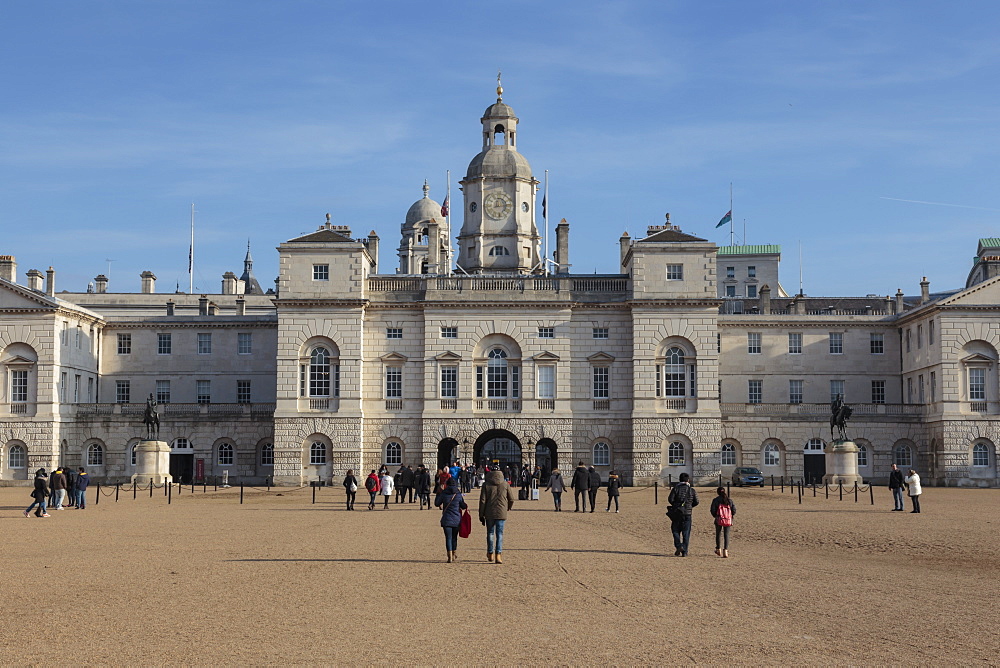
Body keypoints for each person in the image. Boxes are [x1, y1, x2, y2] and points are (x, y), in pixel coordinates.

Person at [479, 468, 515, 564]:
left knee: (490, 533)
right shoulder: (505, 484)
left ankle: (490, 553)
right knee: (499, 534)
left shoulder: (486, 485)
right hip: (501, 512)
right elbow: (511, 499)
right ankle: (498, 554)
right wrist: (508, 507)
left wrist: (481, 514)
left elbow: (482, 501)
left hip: (489, 512)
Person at [434, 476, 468, 563]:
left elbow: (437, 503)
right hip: (456, 519)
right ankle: (453, 553)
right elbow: (463, 506)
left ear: (447, 484)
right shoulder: (458, 494)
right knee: (454, 538)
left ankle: (449, 556)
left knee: (448, 538)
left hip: (447, 518)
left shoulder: (444, 493)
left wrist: (438, 493)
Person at [667, 472, 699, 557]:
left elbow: (670, 499)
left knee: (675, 530)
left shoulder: (676, 489)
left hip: (677, 512)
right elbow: (696, 502)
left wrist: (676, 505)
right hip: (687, 513)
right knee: (686, 532)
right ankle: (685, 551)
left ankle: (678, 545)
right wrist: (689, 506)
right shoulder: (692, 490)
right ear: (688, 480)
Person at [709, 486, 735, 558]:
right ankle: (725, 550)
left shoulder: (715, 500)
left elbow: (712, 510)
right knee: (726, 535)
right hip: (727, 519)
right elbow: (734, 510)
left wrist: (716, 516)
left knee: (718, 534)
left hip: (719, 519)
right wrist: (730, 515)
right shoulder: (729, 500)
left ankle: (718, 549)